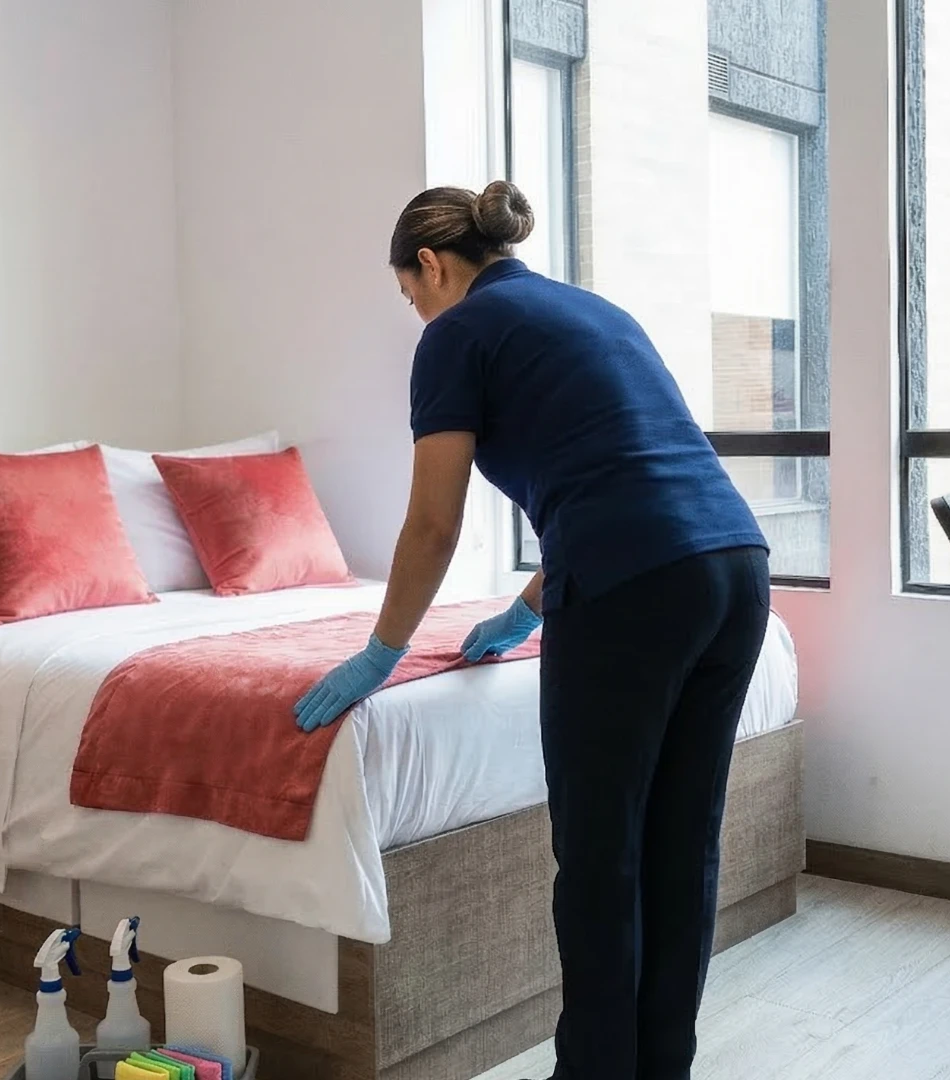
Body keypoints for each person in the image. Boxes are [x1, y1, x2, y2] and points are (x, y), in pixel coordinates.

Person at [293, 180, 771, 1080]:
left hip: (634, 589)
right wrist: (526, 608)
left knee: (599, 856)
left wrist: (381, 651)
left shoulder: (456, 335)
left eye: (409, 295)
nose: (415, 313)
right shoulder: (593, 311)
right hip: (736, 568)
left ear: (431, 265)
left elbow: (432, 524)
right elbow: (626, 474)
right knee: (681, 844)